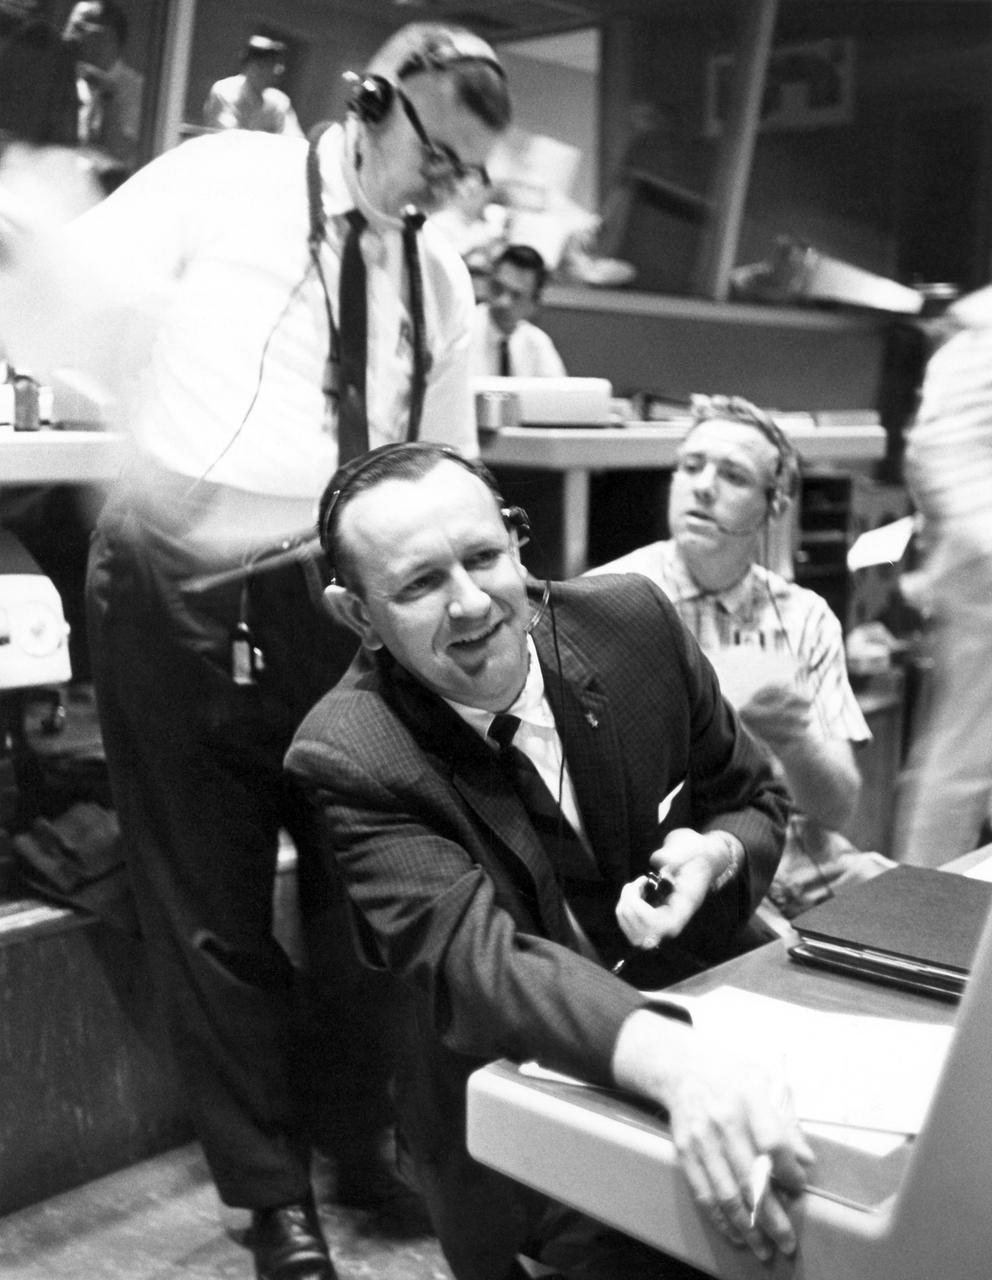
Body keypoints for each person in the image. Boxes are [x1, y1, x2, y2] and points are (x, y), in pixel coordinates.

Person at [0, 21, 510, 1280]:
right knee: (210, 905)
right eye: (437, 162)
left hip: (337, 605)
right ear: (374, 102)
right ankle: (269, 1197)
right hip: (177, 590)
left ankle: (355, 1139)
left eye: (466, 181)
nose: (445, 197)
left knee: (364, 898)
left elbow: (443, 468)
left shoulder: (438, 282)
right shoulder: (224, 176)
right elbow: (58, 294)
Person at [286, 442, 813, 1280]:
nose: (470, 604)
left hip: (719, 1019)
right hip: (514, 1103)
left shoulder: (633, 625)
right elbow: (477, 963)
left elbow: (754, 800)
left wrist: (713, 854)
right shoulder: (349, 752)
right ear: (356, 616)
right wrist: (676, 1064)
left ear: (516, 539)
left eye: (485, 558)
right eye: (420, 585)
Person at [588, 395, 893, 921]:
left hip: (806, 862)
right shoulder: (609, 601)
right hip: (684, 870)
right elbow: (602, 797)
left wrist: (794, 738)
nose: (703, 485)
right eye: (691, 467)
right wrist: (722, 704)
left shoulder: (805, 617)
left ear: (774, 505)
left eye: (733, 475)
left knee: (933, 923)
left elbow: (838, 809)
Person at [893, 286, 992, 866]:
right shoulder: (979, 337)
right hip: (983, 570)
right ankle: (922, 921)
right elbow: (934, 450)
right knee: (962, 764)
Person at [62, 0, 144, 183]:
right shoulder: (65, 78)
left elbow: (120, 152)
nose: (67, 37)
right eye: (68, 27)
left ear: (107, 37)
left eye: (78, 28)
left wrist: (109, 95)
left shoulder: (136, 90)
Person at [469, 242, 566, 377]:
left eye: (517, 295)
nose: (504, 302)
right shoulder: (462, 330)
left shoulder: (537, 343)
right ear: (488, 281)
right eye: (498, 288)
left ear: (534, 302)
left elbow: (559, 396)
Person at [203, 34, 304, 138]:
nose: (278, 70)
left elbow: (295, 140)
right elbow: (227, 137)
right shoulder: (225, 90)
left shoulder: (279, 100)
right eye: (269, 63)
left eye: (276, 63)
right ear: (251, 65)